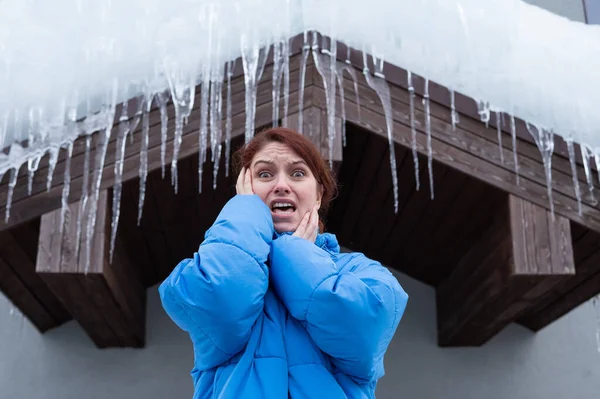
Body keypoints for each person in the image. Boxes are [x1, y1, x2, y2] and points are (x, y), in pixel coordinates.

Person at [159, 127, 408, 398]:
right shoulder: (215, 260)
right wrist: (246, 211)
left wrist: (292, 253)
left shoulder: (360, 272)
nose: (281, 185)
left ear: (319, 193)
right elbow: (218, 294)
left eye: (298, 173)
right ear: (245, 189)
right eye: (264, 174)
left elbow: (360, 328)